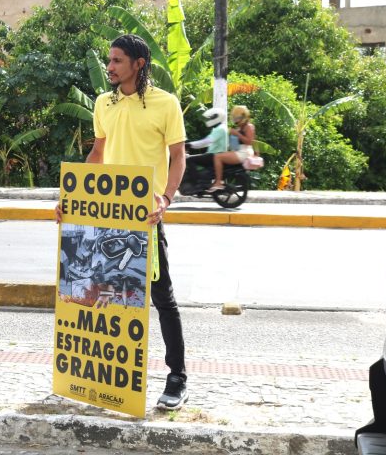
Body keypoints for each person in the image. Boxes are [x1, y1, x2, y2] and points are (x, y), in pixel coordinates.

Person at [56, 34, 189, 410]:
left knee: (162, 298)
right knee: (103, 296)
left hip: (144, 216)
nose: (109, 67)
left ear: (139, 64)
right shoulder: (104, 103)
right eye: (109, 60)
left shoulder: (166, 103)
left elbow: (178, 156)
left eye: (117, 61)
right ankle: (103, 382)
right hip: (105, 215)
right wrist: (71, 198)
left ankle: (177, 378)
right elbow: (98, 153)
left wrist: (166, 199)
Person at [206, 105, 255, 192]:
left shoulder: (249, 127)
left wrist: (237, 134)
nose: (236, 120)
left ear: (243, 117)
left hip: (244, 152)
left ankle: (218, 182)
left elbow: (249, 142)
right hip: (239, 151)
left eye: (238, 118)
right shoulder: (240, 127)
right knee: (219, 155)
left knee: (217, 157)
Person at [184, 107, 227, 184]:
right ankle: (202, 180)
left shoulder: (220, 129)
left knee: (189, 159)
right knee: (194, 158)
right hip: (214, 155)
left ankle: (196, 183)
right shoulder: (219, 128)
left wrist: (189, 144)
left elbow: (206, 142)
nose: (210, 119)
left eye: (212, 117)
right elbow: (206, 142)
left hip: (214, 155)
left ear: (217, 117)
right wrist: (191, 145)